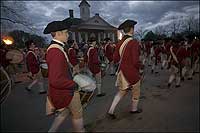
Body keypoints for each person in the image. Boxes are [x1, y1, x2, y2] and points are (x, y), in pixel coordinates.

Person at [43, 20, 85, 132]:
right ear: (58, 33)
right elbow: (56, 80)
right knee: (77, 114)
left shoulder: (57, 48)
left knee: (65, 112)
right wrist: (74, 84)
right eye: (66, 32)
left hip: (64, 90)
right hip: (67, 91)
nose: (68, 34)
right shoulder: (56, 51)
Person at [107, 19, 143, 119]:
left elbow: (115, 59)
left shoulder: (119, 43)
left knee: (122, 91)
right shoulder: (134, 42)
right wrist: (141, 66)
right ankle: (134, 109)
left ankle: (111, 110)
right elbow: (136, 61)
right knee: (136, 91)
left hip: (122, 72)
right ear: (132, 29)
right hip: (132, 72)